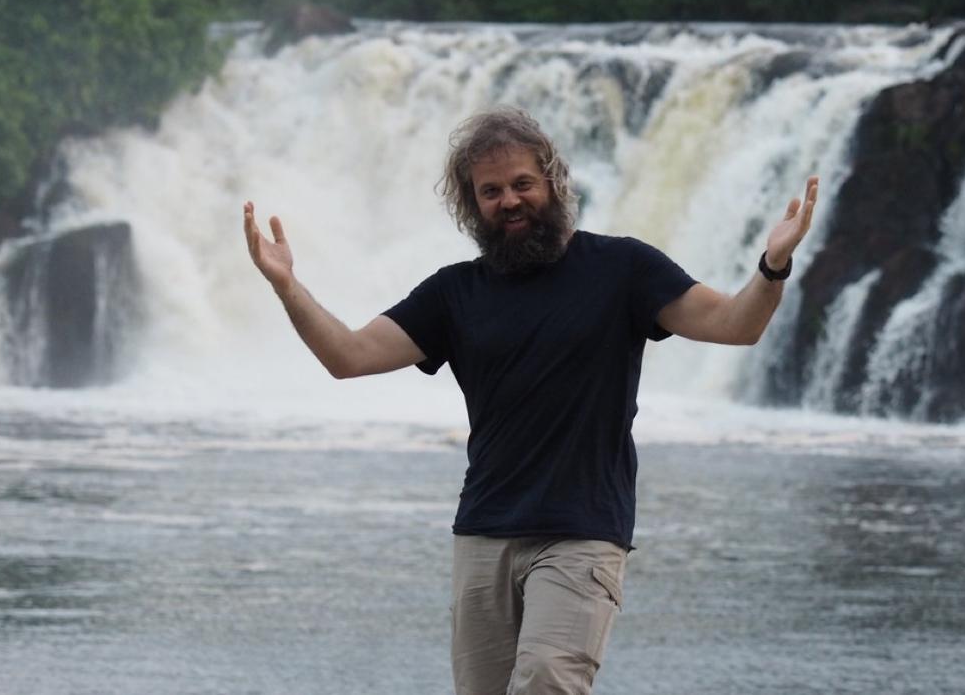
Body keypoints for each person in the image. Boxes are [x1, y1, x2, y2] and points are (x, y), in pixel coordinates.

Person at [243, 107, 817, 695]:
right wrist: (287, 287)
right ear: (472, 204)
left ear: (552, 182)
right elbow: (349, 356)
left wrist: (772, 266)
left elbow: (733, 325)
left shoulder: (622, 268)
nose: (509, 201)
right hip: (484, 533)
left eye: (522, 184)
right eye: (491, 192)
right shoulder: (453, 293)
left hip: (582, 531)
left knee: (546, 682)